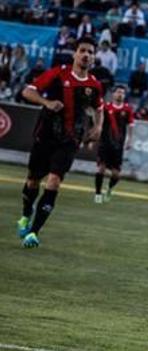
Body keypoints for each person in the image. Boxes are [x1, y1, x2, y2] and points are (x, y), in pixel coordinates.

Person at [17, 37, 104, 248]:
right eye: (82, 51)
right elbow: (27, 91)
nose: (86, 55)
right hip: (45, 136)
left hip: (70, 140)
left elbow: (98, 108)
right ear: (75, 54)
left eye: (90, 52)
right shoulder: (58, 73)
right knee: (32, 181)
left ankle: (34, 232)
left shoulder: (94, 85)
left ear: (94, 57)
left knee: (54, 181)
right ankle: (26, 214)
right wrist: (47, 102)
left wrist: (98, 127)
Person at [94, 85, 134, 204]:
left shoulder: (127, 109)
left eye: (122, 93)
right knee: (101, 169)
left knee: (116, 174)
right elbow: (99, 122)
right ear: (113, 94)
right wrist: (96, 136)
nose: (120, 95)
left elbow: (131, 125)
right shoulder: (106, 107)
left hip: (118, 145)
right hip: (105, 143)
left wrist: (129, 139)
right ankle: (97, 193)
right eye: (118, 92)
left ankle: (109, 188)